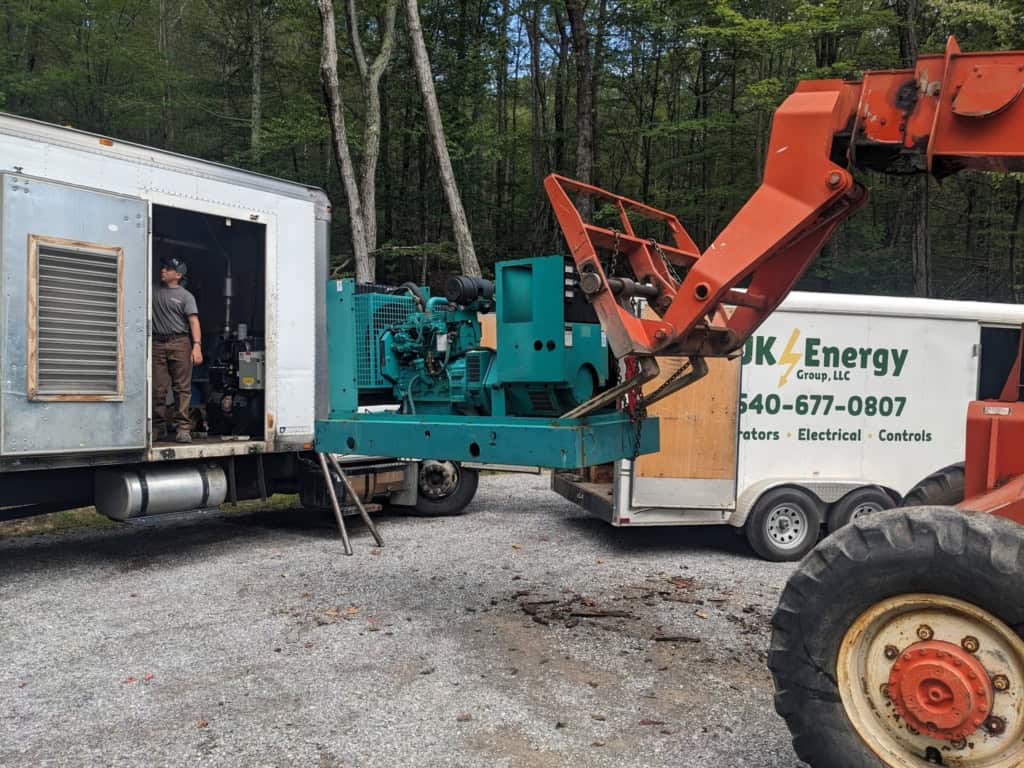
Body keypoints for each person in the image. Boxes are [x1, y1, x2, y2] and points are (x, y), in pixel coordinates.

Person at [153, 256, 203, 443]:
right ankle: (158, 427)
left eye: (168, 269)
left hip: (180, 343)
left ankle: (183, 428)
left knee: (182, 388)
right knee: (158, 388)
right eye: (163, 267)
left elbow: (193, 321)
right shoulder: (153, 291)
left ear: (178, 275)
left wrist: (197, 346)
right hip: (157, 343)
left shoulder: (186, 296)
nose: (163, 271)